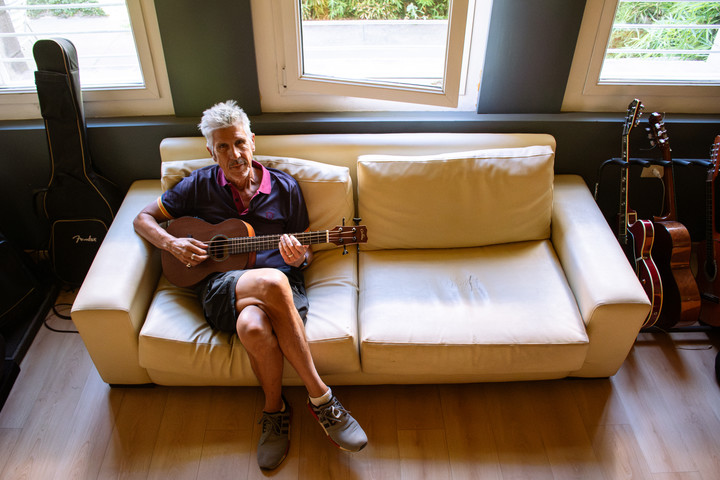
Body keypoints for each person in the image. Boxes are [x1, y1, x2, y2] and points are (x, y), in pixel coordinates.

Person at [133, 100, 367, 470]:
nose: (234, 154)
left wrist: (299, 257)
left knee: (253, 327)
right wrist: (172, 243)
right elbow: (143, 218)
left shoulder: (285, 187)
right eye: (223, 147)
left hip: (282, 283)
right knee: (271, 282)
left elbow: (303, 249)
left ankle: (274, 412)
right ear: (211, 151)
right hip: (220, 286)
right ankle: (322, 399)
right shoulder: (196, 186)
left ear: (252, 142)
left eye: (239, 143)